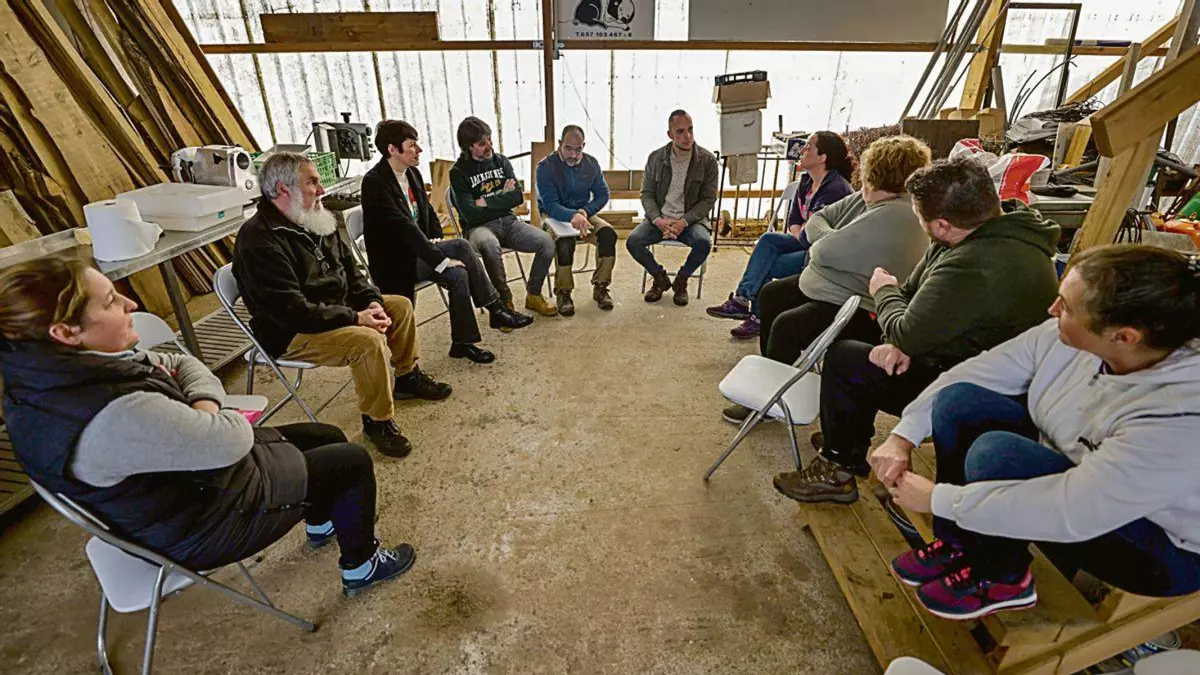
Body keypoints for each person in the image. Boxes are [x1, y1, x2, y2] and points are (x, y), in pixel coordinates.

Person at [0, 257, 414, 597]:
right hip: (204, 519)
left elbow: (178, 362)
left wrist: (202, 407)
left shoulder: (54, 373)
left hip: (185, 485)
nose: (130, 303)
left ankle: (322, 522)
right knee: (352, 461)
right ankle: (361, 566)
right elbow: (232, 439)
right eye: (110, 302)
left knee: (326, 436)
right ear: (65, 332)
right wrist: (209, 414)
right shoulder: (111, 413)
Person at [880, 245, 1200, 620]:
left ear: (1124, 337)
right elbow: (974, 372)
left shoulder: (1179, 416)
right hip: (1080, 467)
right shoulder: (1072, 336)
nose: (1052, 309)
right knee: (958, 401)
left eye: (1067, 307)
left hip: (1160, 543)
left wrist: (940, 500)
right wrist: (902, 436)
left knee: (998, 455)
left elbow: (1073, 508)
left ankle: (1002, 576)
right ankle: (960, 543)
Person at [772, 157, 1060, 504]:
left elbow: (901, 312)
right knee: (866, 348)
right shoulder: (970, 234)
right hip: (955, 353)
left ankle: (838, 467)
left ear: (941, 225)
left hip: (979, 389)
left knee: (846, 359)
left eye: (919, 217)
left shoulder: (977, 264)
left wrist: (884, 295)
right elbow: (911, 292)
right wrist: (903, 336)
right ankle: (848, 436)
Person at [233, 151, 452, 459]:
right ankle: (378, 422)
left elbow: (354, 272)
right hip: (290, 331)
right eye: (312, 182)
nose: (321, 190)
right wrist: (356, 318)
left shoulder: (313, 218)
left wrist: (371, 302)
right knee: (366, 342)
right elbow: (292, 311)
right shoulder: (258, 240)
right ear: (283, 189)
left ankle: (407, 377)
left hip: (333, 308)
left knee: (399, 306)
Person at [722, 135, 932, 422]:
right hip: (827, 283)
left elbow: (820, 250)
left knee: (786, 326)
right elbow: (816, 222)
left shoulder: (896, 214)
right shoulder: (866, 198)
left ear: (879, 174)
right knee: (771, 295)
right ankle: (771, 386)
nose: (862, 180)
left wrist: (827, 242)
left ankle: (771, 400)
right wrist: (832, 239)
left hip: (856, 301)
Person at [361, 119, 532, 364]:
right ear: (392, 149)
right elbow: (404, 227)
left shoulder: (412, 173)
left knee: (459, 275)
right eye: (412, 145)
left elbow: (427, 211)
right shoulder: (375, 183)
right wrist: (441, 259)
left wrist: (437, 240)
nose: (419, 150)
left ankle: (463, 343)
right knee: (461, 246)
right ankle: (496, 309)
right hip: (397, 263)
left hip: (420, 251)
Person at [707, 131, 855, 338]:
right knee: (768, 240)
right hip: (804, 241)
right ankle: (742, 300)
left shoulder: (835, 189)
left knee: (767, 263)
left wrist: (802, 234)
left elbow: (815, 234)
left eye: (808, 147)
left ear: (822, 157)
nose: (802, 150)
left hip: (820, 254)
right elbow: (793, 219)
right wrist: (800, 232)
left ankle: (757, 318)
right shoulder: (806, 181)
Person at [449, 116, 558, 318]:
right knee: (489, 245)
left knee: (547, 242)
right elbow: (470, 214)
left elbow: (517, 197)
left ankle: (533, 294)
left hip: (509, 222)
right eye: (482, 143)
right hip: (478, 228)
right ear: (469, 146)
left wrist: (486, 201)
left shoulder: (501, 161)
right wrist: (502, 197)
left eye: (489, 139)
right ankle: (503, 302)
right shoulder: (458, 172)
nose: (490, 146)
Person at [626, 109, 719, 306]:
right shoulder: (656, 158)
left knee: (704, 243)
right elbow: (647, 194)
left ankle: (681, 281)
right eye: (680, 132)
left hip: (691, 221)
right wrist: (658, 220)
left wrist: (684, 222)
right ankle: (659, 278)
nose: (688, 136)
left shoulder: (707, 161)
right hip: (660, 218)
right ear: (670, 134)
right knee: (633, 241)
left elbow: (708, 199)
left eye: (690, 130)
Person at [536, 124, 616, 315]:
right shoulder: (545, 167)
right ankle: (563, 292)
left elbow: (603, 194)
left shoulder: (591, 163)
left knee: (608, 234)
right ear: (559, 144)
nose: (573, 155)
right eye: (568, 149)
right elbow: (550, 205)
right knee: (565, 242)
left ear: (583, 146)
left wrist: (585, 212)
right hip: (554, 216)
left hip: (583, 212)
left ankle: (601, 286)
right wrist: (572, 216)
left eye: (578, 149)